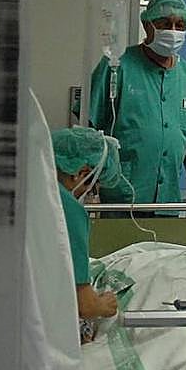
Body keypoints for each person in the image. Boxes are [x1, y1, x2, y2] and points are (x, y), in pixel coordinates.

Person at [87, 0, 186, 211]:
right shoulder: (116, 66)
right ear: (147, 25)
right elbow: (88, 130)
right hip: (122, 199)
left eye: (180, 25)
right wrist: (89, 190)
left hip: (168, 201)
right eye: (165, 24)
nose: (173, 31)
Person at [52, 127, 122, 327]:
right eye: (90, 188)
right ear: (80, 173)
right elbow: (85, 306)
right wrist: (104, 304)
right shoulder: (66, 208)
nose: (87, 195)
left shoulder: (27, 186)